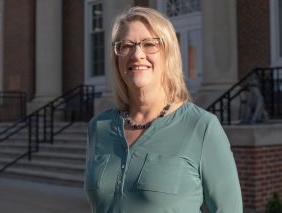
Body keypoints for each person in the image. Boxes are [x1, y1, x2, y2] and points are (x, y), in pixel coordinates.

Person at [84, 6, 243, 213]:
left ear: (169, 54)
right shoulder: (99, 127)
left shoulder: (201, 127)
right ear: (117, 58)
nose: (137, 54)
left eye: (149, 44)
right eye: (126, 46)